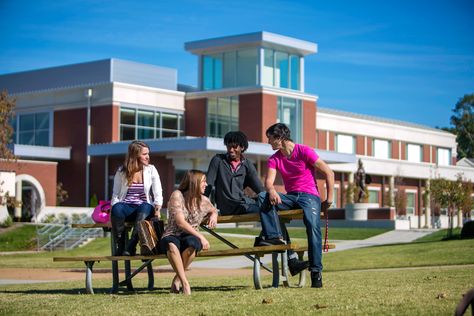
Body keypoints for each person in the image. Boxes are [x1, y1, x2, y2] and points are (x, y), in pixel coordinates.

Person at [206, 131, 308, 276]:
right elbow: (208, 186)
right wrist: (209, 209)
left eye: (234, 147)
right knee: (273, 212)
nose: (231, 150)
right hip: (229, 206)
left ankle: (283, 254)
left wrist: (274, 197)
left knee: (273, 210)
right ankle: (281, 251)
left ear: (242, 147)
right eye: (228, 146)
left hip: (243, 204)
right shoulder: (218, 161)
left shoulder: (247, 165)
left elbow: (260, 190)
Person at [258, 123, 334, 288]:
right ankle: (275, 238)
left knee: (312, 225)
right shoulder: (274, 158)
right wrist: (271, 190)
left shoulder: (304, 151)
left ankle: (316, 272)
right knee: (263, 196)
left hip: (309, 196)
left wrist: (329, 199)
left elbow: (329, 172)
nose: (269, 142)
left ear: (280, 138)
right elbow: (268, 182)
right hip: (291, 197)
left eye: (270, 139)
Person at [160, 170, 218, 295]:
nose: (206, 184)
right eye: (203, 181)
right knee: (171, 245)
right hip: (173, 232)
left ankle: (177, 280)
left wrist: (214, 215)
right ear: (194, 183)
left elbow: (213, 209)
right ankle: (185, 283)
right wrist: (201, 237)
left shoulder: (203, 200)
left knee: (192, 245)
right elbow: (180, 222)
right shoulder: (177, 195)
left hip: (190, 236)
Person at [110, 140, 163, 256]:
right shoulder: (121, 172)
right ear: (135, 155)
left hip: (144, 208)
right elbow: (115, 195)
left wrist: (157, 210)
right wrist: (114, 207)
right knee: (117, 208)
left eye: (148, 154)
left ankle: (131, 246)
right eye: (144, 154)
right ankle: (121, 245)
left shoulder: (151, 169)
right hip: (126, 208)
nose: (148, 157)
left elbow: (158, 192)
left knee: (145, 206)